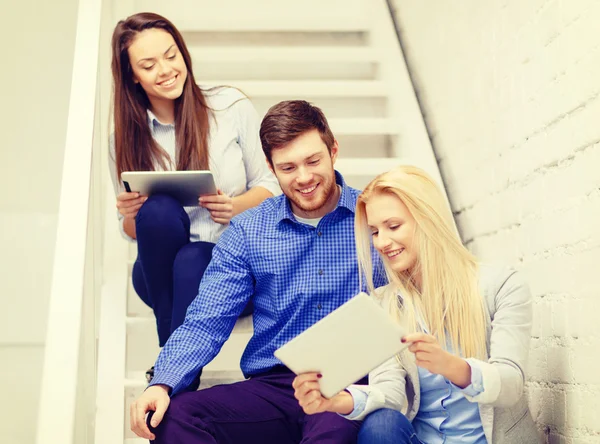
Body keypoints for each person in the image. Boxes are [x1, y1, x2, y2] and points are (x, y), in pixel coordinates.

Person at [128, 100, 386, 443]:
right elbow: (206, 319)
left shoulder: (377, 217)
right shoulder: (249, 231)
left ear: (333, 150)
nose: (304, 177)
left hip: (349, 383)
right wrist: (162, 381)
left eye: (313, 161)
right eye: (289, 167)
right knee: (174, 417)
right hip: (276, 387)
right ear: (270, 167)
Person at [292, 165, 540, 443]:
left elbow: (510, 384)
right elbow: (390, 392)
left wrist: (450, 365)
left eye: (393, 226)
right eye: (374, 231)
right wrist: (338, 401)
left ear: (428, 220)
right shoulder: (384, 303)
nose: (382, 242)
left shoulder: (501, 284)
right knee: (382, 423)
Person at [109, 12, 280, 383]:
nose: (166, 69)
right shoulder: (123, 137)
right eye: (149, 65)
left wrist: (234, 207)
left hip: (232, 271)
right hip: (159, 278)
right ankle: (177, 367)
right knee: (156, 212)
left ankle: (170, 371)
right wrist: (128, 214)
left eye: (171, 55)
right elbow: (132, 232)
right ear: (132, 76)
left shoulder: (230, 107)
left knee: (195, 257)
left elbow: (272, 184)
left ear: (183, 53)